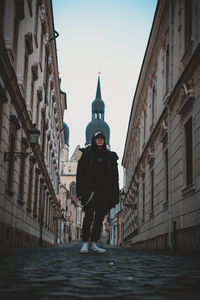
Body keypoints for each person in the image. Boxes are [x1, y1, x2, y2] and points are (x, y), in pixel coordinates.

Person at [76, 131, 119, 253]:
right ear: (94, 140)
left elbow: (115, 177)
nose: (100, 140)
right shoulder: (87, 154)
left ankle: (94, 243)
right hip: (90, 192)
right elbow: (80, 175)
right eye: (97, 138)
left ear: (104, 140)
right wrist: (80, 192)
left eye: (102, 138)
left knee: (99, 219)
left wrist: (115, 194)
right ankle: (85, 243)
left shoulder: (110, 156)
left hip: (104, 193)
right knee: (88, 217)